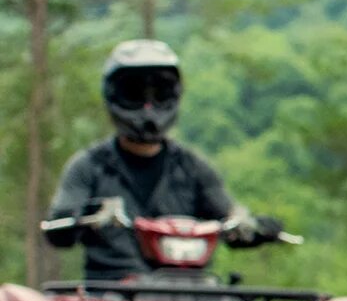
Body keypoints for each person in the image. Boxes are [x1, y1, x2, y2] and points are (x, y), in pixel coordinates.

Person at [42, 41, 279, 282]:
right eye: (134, 93)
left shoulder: (193, 168)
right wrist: (80, 218)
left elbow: (230, 220)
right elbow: (59, 227)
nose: (148, 107)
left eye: (160, 94)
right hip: (111, 295)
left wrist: (257, 227)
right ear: (114, 95)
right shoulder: (88, 166)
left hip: (189, 294)